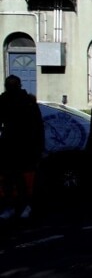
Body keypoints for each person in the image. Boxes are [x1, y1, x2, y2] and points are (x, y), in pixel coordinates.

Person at [0, 75, 44, 220]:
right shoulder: (3, 100)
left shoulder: (28, 102)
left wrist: (38, 147)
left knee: (22, 179)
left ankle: (25, 206)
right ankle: (11, 206)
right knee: (9, 178)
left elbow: (37, 126)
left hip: (24, 145)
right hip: (8, 144)